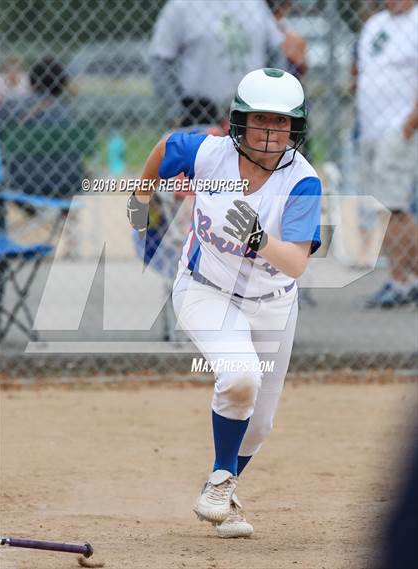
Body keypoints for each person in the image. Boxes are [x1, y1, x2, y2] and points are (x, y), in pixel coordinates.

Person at [127, 68, 321, 538]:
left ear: (295, 129)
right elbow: (166, 146)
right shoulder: (210, 154)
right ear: (239, 122)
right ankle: (219, 479)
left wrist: (256, 238)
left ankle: (223, 489)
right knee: (239, 377)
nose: (271, 133)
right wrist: (140, 196)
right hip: (204, 289)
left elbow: (295, 263)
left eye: (282, 123)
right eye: (261, 121)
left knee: (259, 426)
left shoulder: (303, 181)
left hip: (274, 302)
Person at [354, 0, 418, 308]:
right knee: (382, 208)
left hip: (399, 128)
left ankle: (400, 281)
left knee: (394, 207)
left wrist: (409, 125)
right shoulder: (374, 24)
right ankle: (405, 279)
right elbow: (362, 70)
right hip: (370, 128)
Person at [149, 0, 284, 127]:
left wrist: (273, 100)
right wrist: (177, 110)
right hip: (201, 115)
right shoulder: (181, 5)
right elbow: (160, 60)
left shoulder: (255, 4)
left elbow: (277, 54)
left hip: (251, 111)